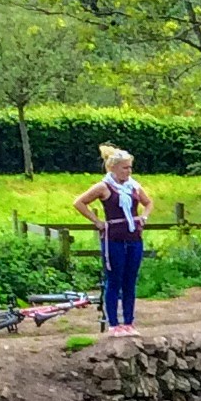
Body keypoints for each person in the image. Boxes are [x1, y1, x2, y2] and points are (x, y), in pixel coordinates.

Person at [76, 143, 151, 335]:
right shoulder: (104, 186)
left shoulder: (134, 186)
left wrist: (144, 217)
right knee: (114, 280)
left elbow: (148, 203)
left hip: (134, 237)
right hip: (114, 239)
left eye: (130, 167)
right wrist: (98, 222)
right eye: (125, 167)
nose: (129, 171)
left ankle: (129, 321)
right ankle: (113, 324)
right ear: (114, 168)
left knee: (130, 280)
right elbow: (79, 202)